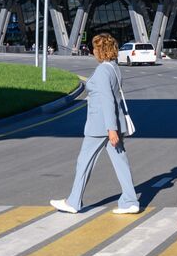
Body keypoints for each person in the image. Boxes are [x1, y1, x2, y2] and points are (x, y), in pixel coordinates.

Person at [51, 33, 140, 215]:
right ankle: (130, 201)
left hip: (100, 126)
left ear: (101, 50)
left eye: (95, 47)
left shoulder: (102, 71)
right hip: (110, 124)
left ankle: (74, 201)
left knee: (84, 162)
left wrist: (111, 129)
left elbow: (107, 100)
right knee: (120, 162)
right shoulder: (114, 68)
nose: (93, 51)